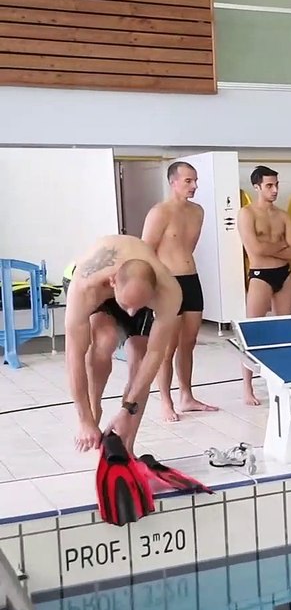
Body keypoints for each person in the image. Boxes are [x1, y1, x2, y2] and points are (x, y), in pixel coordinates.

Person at [63, 235, 183, 453]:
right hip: (94, 284)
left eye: (138, 306)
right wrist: (85, 419)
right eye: (127, 306)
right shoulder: (86, 286)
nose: (131, 313)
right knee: (104, 339)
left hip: (135, 286)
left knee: (140, 354)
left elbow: (155, 354)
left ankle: (126, 445)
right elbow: (74, 355)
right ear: (112, 282)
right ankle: (93, 413)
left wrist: (128, 409)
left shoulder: (169, 291)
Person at [140, 161, 217, 421]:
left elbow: (188, 246)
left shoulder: (198, 212)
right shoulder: (159, 212)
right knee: (167, 346)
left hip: (191, 279)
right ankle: (165, 400)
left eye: (195, 181)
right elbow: (145, 251)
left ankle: (187, 395)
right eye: (188, 181)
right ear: (173, 182)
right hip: (167, 283)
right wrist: (155, 287)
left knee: (189, 342)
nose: (194, 186)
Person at [238, 166, 291, 406]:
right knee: (252, 333)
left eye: (276, 185)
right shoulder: (247, 214)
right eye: (269, 186)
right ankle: (247, 387)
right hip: (260, 275)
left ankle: (283, 379)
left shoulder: (283, 216)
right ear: (257, 187)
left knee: (285, 332)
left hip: (283, 275)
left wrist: (271, 249)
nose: (274, 190)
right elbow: (255, 250)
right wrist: (280, 248)